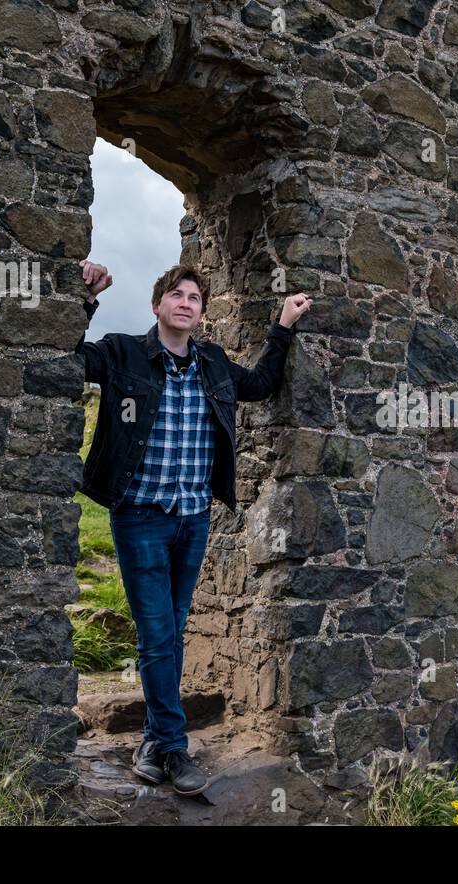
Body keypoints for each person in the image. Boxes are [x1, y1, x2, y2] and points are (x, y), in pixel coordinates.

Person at [74, 258, 311, 795]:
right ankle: (176, 749)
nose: (185, 302)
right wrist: (84, 298)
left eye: (194, 298)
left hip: (193, 518)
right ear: (157, 305)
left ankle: (153, 743)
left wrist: (283, 324)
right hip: (139, 516)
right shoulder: (122, 353)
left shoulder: (213, 364)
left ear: (202, 314)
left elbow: (262, 383)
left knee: (171, 633)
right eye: (175, 294)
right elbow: (69, 360)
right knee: (159, 634)